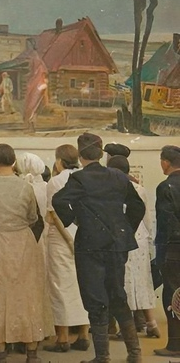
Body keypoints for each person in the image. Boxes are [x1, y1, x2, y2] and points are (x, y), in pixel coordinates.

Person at [52, 133, 145, 363]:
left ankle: (102, 356)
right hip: (117, 244)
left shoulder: (79, 179)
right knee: (118, 295)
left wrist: (76, 220)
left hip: (90, 244)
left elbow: (59, 201)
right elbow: (137, 206)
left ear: (81, 155)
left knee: (95, 298)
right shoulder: (118, 177)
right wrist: (125, 229)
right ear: (102, 153)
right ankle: (135, 353)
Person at [0, 144, 46, 363]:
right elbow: (33, 217)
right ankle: (31, 351)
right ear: (14, 162)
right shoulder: (25, 187)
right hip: (23, 242)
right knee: (27, 293)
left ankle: (0, 351)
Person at [43, 144, 90, 353]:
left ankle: (62, 338)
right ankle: (83, 335)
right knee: (83, 284)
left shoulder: (56, 181)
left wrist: (68, 239)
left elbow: (55, 214)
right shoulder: (85, 177)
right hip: (84, 236)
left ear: (59, 161)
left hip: (62, 239)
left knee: (59, 286)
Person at [106, 156, 160, 339]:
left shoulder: (113, 189)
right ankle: (152, 324)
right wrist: (150, 239)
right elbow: (146, 218)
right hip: (141, 238)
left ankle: (126, 329)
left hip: (123, 238)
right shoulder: (140, 189)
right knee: (144, 281)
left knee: (125, 281)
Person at [154, 145, 180, 357]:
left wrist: (159, 252)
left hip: (174, 248)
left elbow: (165, 222)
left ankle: (174, 344)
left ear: (165, 162)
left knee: (172, 293)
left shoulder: (165, 187)